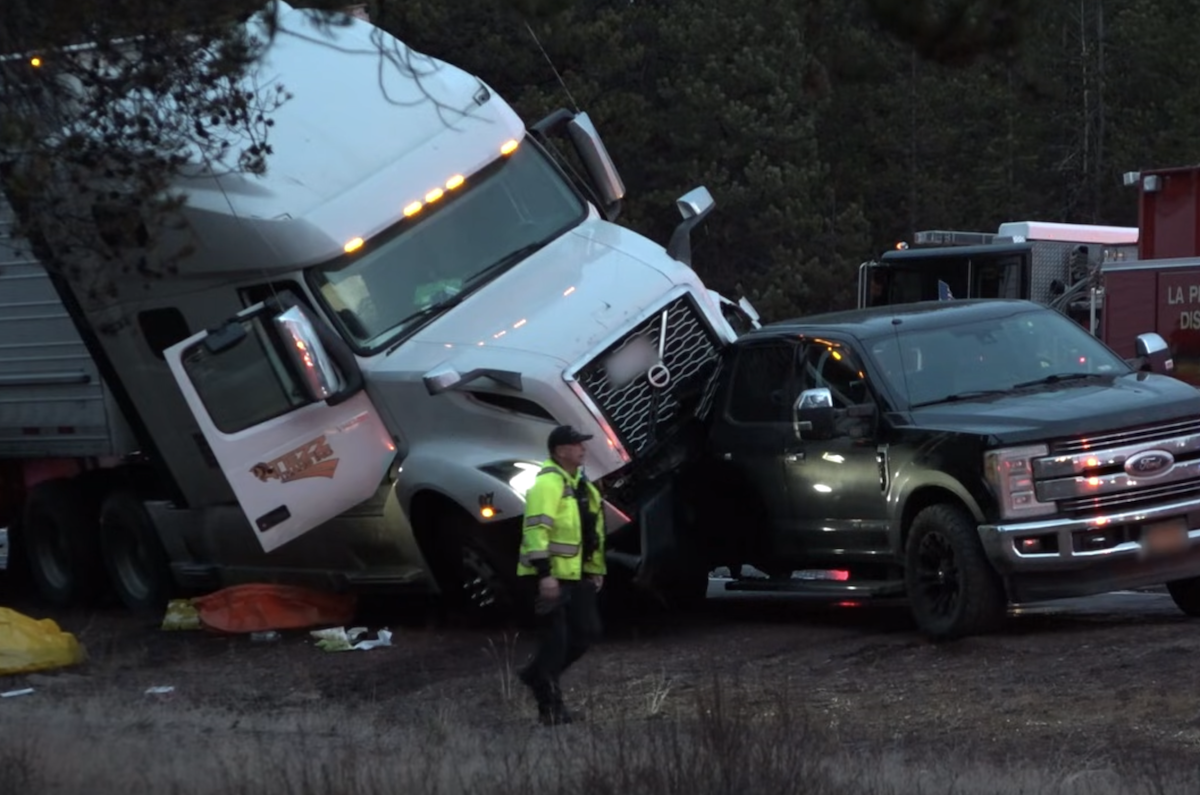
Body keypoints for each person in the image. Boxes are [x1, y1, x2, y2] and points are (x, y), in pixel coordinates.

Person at [516, 424, 606, 726]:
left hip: (576, 575)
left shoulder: (581, 484)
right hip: (550, 576)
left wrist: (594, 570)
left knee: (586, 633)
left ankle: (536, 675)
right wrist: (544, 575)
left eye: (582, 443)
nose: (583, 448)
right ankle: (550, 707)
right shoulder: (548, 484)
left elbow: (592, 532)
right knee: (556, 641)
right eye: (577, 444)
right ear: (560, 451)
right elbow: (535, 530)